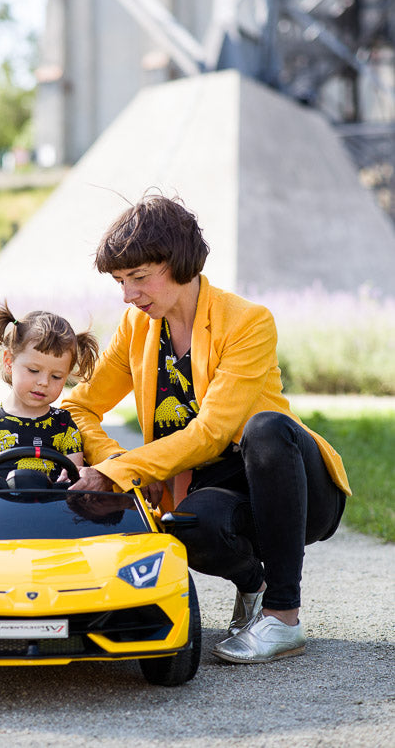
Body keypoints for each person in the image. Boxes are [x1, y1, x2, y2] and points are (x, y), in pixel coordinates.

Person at [64, 194, 350, 664]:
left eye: (139, 277)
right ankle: (254, 588)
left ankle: (283, 617)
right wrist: (117, 461)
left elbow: (213, 432)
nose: (128, 295)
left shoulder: (248, 322)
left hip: (296, 487)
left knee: (265, 429)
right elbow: (79, 406)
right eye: (120, 281)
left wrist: (126, 472)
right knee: (187, 527)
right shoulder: (136, 327)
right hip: (219, 489)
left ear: (179, 262)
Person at [0, 302, 99, 493]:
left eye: (56, 376)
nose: (44, 382)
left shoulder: (65, 426)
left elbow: (75, 480)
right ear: (9, 361)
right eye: (33, 370)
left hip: (49, 514)